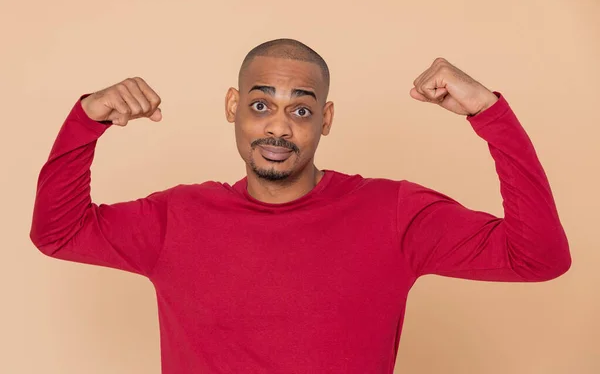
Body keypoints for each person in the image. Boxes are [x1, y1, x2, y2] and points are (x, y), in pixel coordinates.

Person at [29, 38, 571, 373]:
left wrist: (489, 113)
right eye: (261, 104)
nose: (280, 127)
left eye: (302, 110)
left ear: (326, 119)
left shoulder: (393, 213)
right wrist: (88, 119)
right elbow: (57, 233)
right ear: (233, 107)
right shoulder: (177, 218)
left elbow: (538, 258)